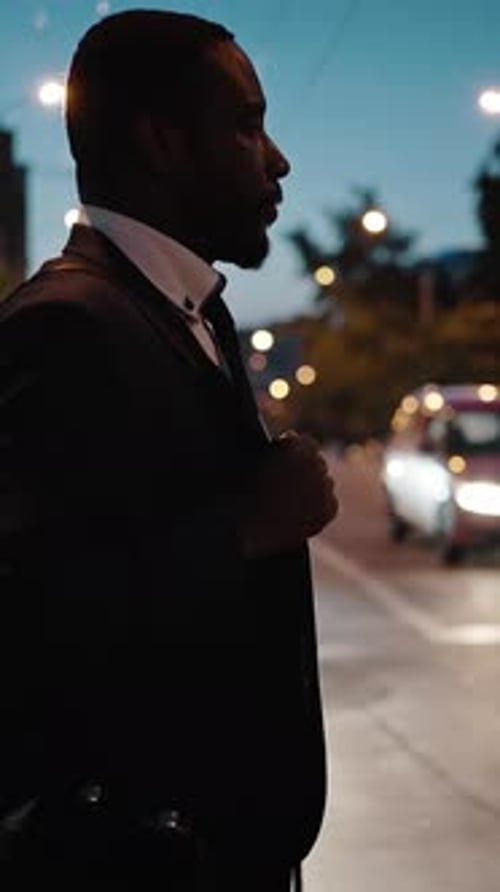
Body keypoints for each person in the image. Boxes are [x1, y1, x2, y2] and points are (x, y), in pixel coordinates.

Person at [0, 8, 338, 889]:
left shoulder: (191, 312)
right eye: (248, 125)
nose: (278, 161)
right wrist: (249, 528)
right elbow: (29, 620)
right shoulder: (64, 327)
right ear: (163, 142)